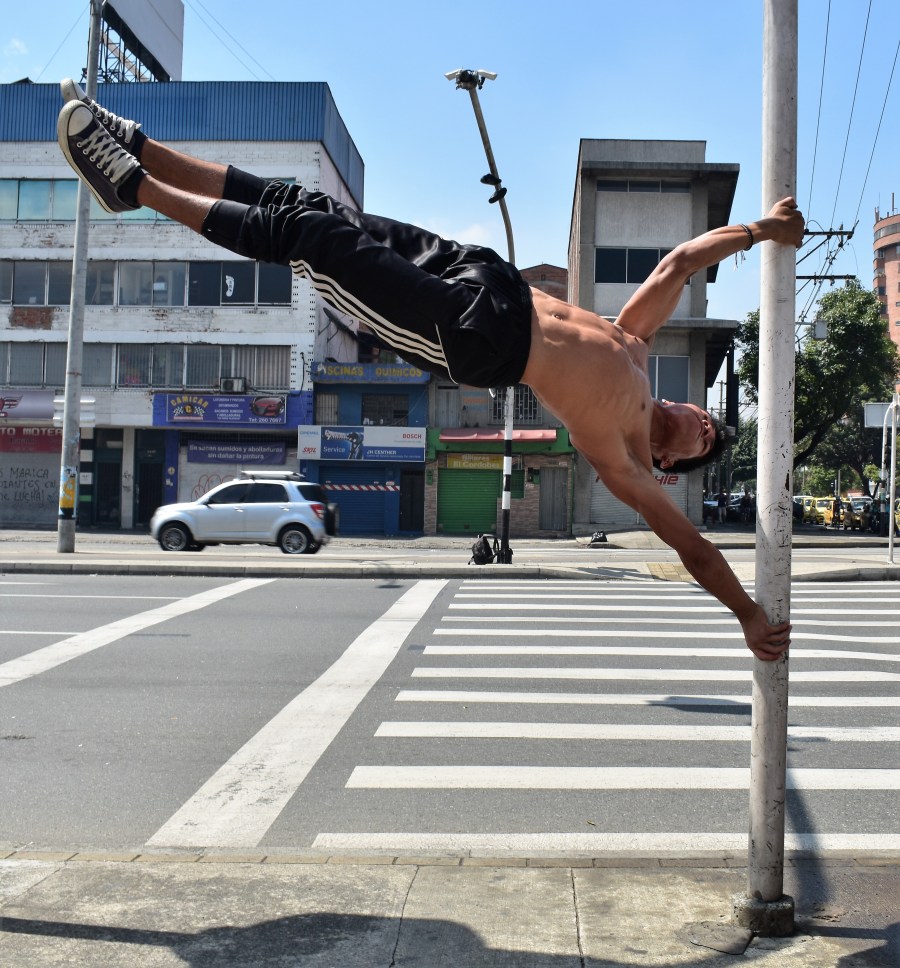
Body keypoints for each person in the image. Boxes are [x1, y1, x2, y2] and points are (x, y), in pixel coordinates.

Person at [55, 81, 805, 661]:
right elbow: (678, 262)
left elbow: (694, 549)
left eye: (706, 438)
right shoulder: (635, 347)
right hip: (487, 278)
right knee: (307, 203)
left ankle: (133, 189)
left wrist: (746, 613)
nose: (705, 421)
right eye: (710, 417)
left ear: (675, 460)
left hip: (467, 337)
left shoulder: (622, 461)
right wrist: (758, 231)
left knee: (310, 238)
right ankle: (141, 147)